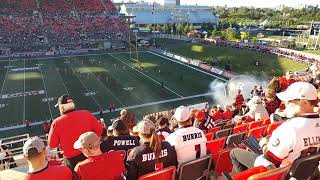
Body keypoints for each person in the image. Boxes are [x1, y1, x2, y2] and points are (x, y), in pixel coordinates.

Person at [230, 82, 320, 175]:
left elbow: (270, 158)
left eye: (289, 101)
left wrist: (264, 144)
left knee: (234, 153)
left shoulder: (290, 128)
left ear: (304, 102)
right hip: (305, 172)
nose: (285, 104)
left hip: (279, 171)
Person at [48, 95, 103, 170]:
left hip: (72, 160)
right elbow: (99, 130)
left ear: (61, 108)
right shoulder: (86, 114)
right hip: (91, 153)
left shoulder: (56, 123)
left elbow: (52, 144)